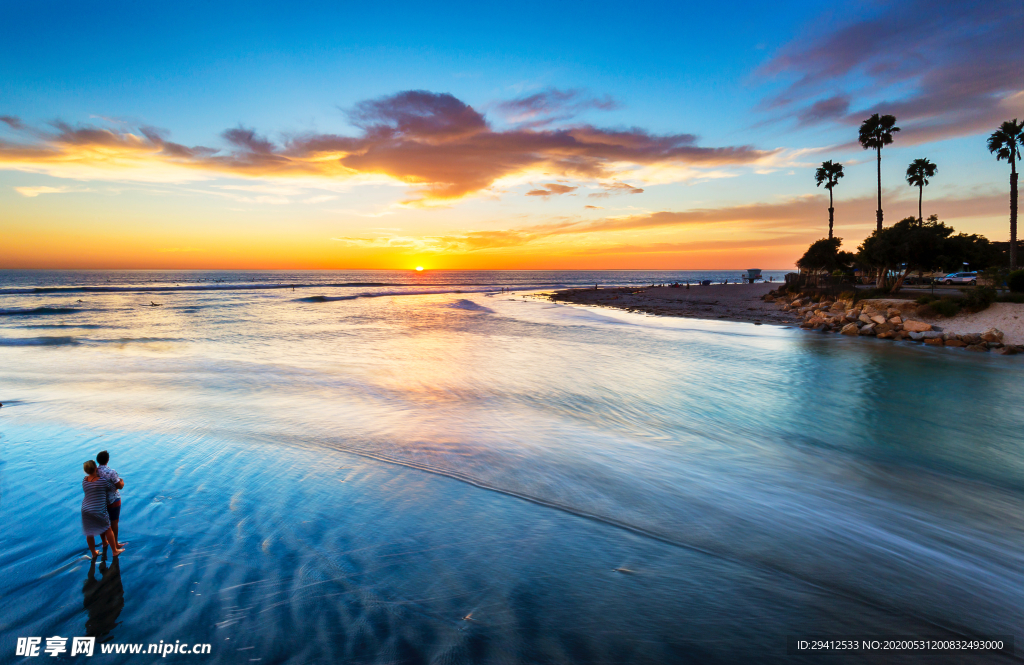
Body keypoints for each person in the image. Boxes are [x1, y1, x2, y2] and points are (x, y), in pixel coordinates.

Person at [82, 461, 123, 557]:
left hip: (86, 508)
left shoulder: (84, 480)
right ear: (96, 468)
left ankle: (94, 553)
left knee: (89, 533)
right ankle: (115, 551)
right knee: (108, 529)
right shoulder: (102, 481)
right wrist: (120, 480)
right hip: (98, 508)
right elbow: (113, 487)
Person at [96, 451, 125, 549]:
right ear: (107, 460)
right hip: (113, 500)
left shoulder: (95, 471)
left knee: (103, 522)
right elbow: (119, 486)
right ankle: (115, 543)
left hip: (101, 500)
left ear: (98, 460)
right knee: (114, 522)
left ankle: (104, 542)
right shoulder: (111, 472)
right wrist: (122, 481)